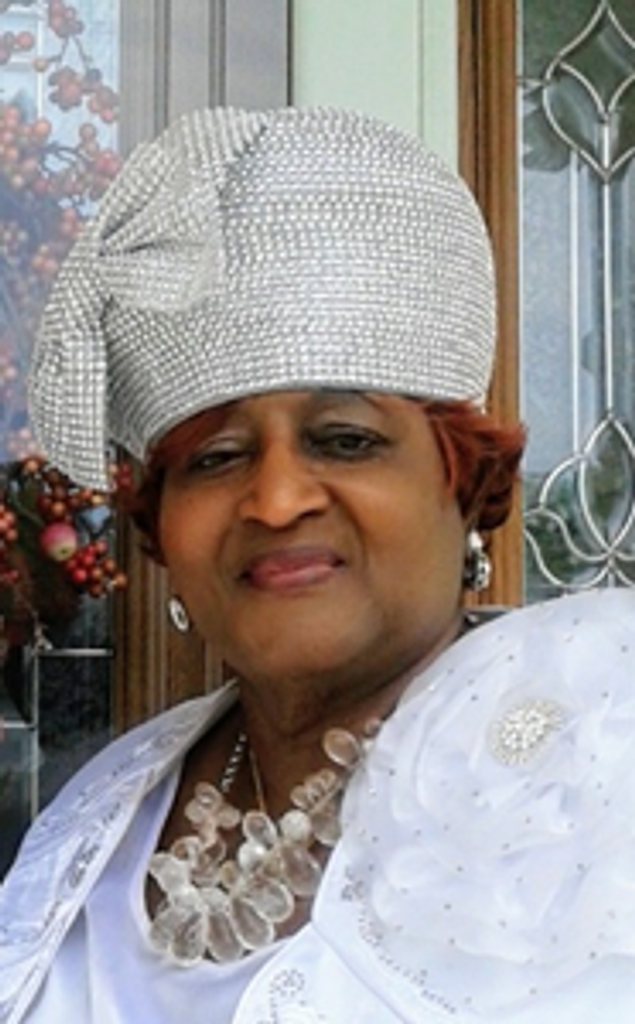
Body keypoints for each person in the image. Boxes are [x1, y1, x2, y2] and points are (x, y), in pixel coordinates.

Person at [1, 106, 634, 1024]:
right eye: (215, 458)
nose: (275, 499)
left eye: (344, 440)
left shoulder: (597, 735)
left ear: (463, 482)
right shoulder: (102, 815)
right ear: (161, 526)